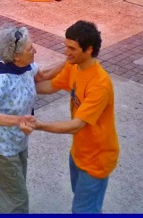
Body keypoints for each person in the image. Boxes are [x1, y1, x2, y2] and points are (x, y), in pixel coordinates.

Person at [30, 21, 119, 214]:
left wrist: (39, 125)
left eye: (72, 48)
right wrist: (16, 86)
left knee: (82, 210)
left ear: (89, 50)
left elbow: (76, 125)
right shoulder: (74, 67)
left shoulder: (99, 84)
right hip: (78, 151)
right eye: (66, 46)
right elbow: (49, 86)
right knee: (86, 206)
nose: (66, 52)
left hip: (97, 159)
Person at [0, 26, 63, 213]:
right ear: (16, 56)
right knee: (17, 201)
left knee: (7, 193)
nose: (35, 51)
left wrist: (69, 63)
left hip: (18, 144)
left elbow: (45, 77)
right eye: (30, 49)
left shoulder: (27, 66)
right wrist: (17, 121)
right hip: (0, 148)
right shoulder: (2, 78)